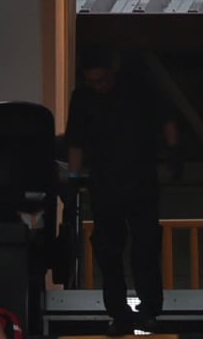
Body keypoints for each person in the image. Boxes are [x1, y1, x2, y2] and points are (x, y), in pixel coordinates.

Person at [66, 47, 172, 335]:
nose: (98, 87)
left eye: (102, 80)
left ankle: (149, 310)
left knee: (146, 249)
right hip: (104, 185)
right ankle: (119, 313)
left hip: (141, 181)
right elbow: (75, 139)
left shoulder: (138, 89)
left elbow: (166, 119)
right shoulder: (83, 98)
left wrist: (174, 152)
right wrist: (74, 178)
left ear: (113, 71)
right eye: (93, 82)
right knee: (108, 254)